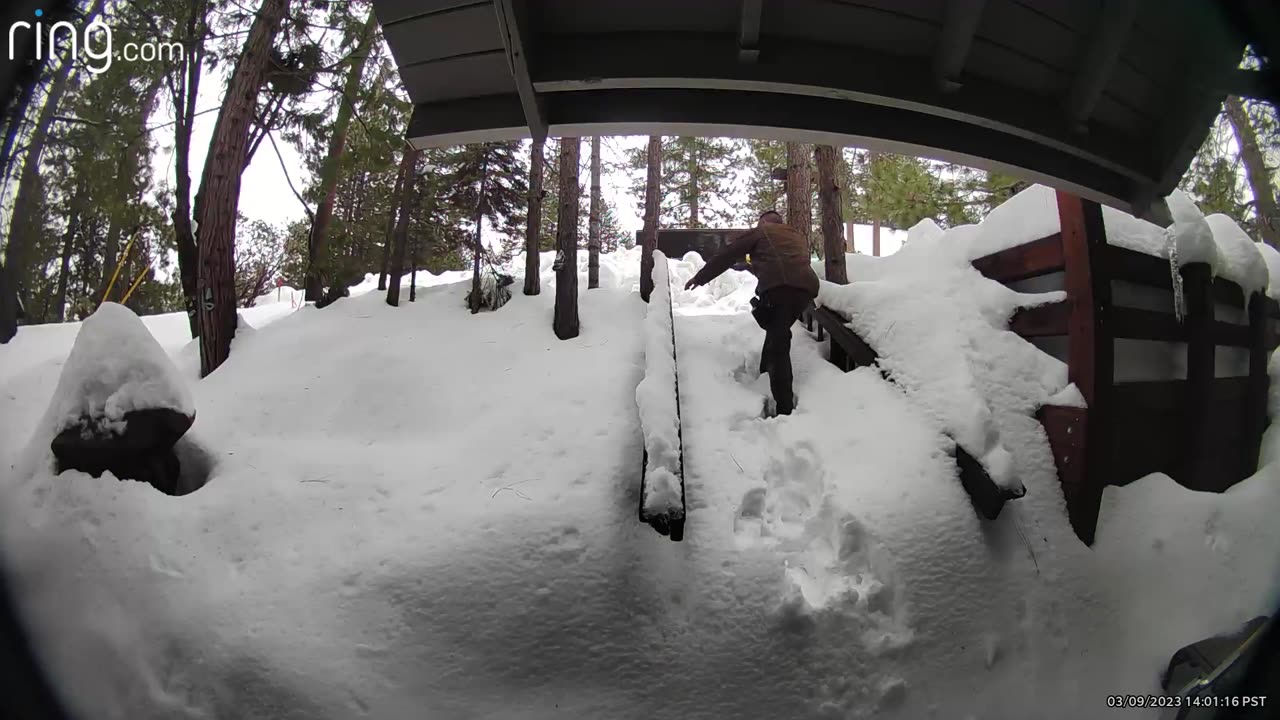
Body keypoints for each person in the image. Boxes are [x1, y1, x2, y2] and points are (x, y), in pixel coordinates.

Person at [684, 210, 820, 416]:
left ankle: (785, 408)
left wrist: (700, 277)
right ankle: (765, 372)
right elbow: (782, 260)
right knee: (777, 331)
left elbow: (728, 255)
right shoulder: (795, 234)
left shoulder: (762, 231)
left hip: (779, 288)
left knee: (779, 343)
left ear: (764, 222)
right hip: (805, 291)